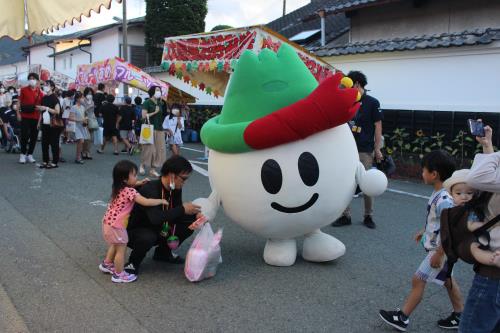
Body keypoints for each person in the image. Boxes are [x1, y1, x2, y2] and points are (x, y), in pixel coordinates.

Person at [379, 150, 464, 331]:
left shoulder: (444, 199)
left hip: (440, 250)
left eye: (424, 170)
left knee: (418, 280)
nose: (422, 173)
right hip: (442, 249)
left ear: (434, 174)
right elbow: (438, 223)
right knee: (448, 280)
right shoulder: (440, 193)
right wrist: (424, 232)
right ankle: (460, 314)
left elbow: (449, 230)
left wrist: (439, 254)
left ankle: (402, 317)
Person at [124, 155, 201, 276]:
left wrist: (196, 216)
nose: (185, 182)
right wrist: (182, 209)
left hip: (159, 226)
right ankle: (133, 262)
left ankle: (163, 253)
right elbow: (155, 218)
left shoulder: (175, 187)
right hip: (136, 230)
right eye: (184, 179)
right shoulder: (150, 189)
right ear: (172, 175)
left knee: (191, 221)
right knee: (148, 236)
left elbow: (177, 212)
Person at [459, 124, 500, 333]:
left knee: (473, 327)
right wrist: (488, 146)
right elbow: (491, 181)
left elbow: (477, 178)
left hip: (493, 272)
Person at [99, 160, 167, 283]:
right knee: (121, 249)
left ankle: (107, 264)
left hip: (107, 223)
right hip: (117, 226)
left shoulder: (118, 188)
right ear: (125, 179)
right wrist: (160, 201)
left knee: (115, 244)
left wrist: (139, 182)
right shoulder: (130, 192)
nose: (137, 177)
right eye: (134, 175)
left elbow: (131, 187)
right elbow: (145, 201)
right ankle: (119, 275)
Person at [332, 70, 383, 229]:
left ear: (357, 84)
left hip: (365, 150)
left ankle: (368, 216)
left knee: (367, 183)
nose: (346, 89)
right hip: (347, 149)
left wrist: (377, 148)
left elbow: (378, 126)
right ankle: (344, 215)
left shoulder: (372, 102)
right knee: (345, 183)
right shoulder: (348, 100)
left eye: (349, 84)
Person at [443, 169, 500, 268]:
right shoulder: (454, 211)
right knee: (474, 248)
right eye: (458, 193)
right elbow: (469, 225)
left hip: (480, 237)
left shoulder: (475, 206)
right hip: (472, 239)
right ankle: (493, 259)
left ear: (477, 194)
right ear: (451, 194)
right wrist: (482, 224)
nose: (464, 197)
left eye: (469, 193)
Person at [139, 86, 167, 177]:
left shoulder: (160, 103)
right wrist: (154, 112)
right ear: (152, 92)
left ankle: (153, 169)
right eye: (157, 90)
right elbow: (143, 116)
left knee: (159, 150)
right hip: (149, 128)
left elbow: (162, 116)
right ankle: (142, 165)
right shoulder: (147, 102)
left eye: (159, 90)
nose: (159, 92)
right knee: (149, 149)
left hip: (159, 128)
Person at [17, 72, 44, 164]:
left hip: (36, 117)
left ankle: (30, 154)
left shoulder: (40, 92)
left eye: (33, 78)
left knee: (34, 137)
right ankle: (22, 154)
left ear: (37, 80)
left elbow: (42, 106)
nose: (31, 80)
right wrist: (18, 113)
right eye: (30, 78)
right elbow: (19, 103)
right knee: (24, 136)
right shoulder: (23, 90)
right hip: (25, 116)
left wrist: (40, 119)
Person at [38, 80, 62, 168]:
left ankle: (55, 162)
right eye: (44, 84)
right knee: (44, 143)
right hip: (45, 123)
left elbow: (57, 111)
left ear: (52, 87)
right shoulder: (43, 98)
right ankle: (45, 161)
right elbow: (41, 112)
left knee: (54, 143)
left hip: (54, 124)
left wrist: (47, 108)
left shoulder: (55, 98)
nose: (45, 86)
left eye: (47, 85)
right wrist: (39, 122)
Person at [70, 91, 89, 164]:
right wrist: (80, 120)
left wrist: (85, 119)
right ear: (78, 99)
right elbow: (70, 118)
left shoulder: (83, 107)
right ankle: (78, 157)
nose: (83, 99)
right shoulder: (73, 107)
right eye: (82, 97)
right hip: (76, 126)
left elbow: (84, 116)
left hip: (82, 126)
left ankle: (78, 156)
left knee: (81, 141)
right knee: (81, 141)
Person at [82, 87, 98, 160]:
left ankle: (88, 152)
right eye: (88, 93)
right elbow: (82, 111)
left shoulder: (93, 101)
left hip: (92, 119)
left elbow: (93, 111)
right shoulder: (83, 101)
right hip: (85, 119)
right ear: (85, 94)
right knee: (86, 137)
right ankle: (84, 151)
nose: (89, 95)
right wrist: (89, 107)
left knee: (90, 138)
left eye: (91, 93)